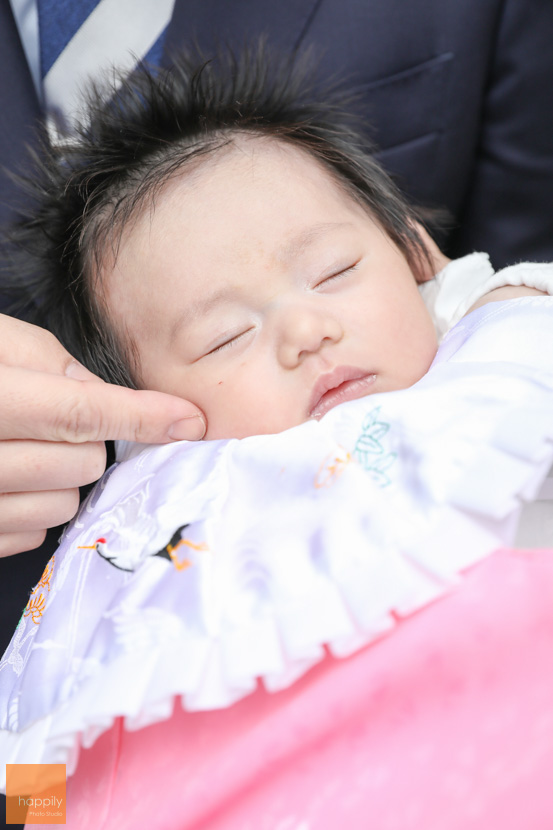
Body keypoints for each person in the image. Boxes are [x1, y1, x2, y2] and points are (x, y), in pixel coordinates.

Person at [3, 46, 553, 828]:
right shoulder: (145, 522)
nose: (304, 329)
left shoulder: (494, 342)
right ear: (137, 406)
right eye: (225, 337)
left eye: (333, 271)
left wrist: (503, 292)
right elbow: (39, 727)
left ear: (413, 253)